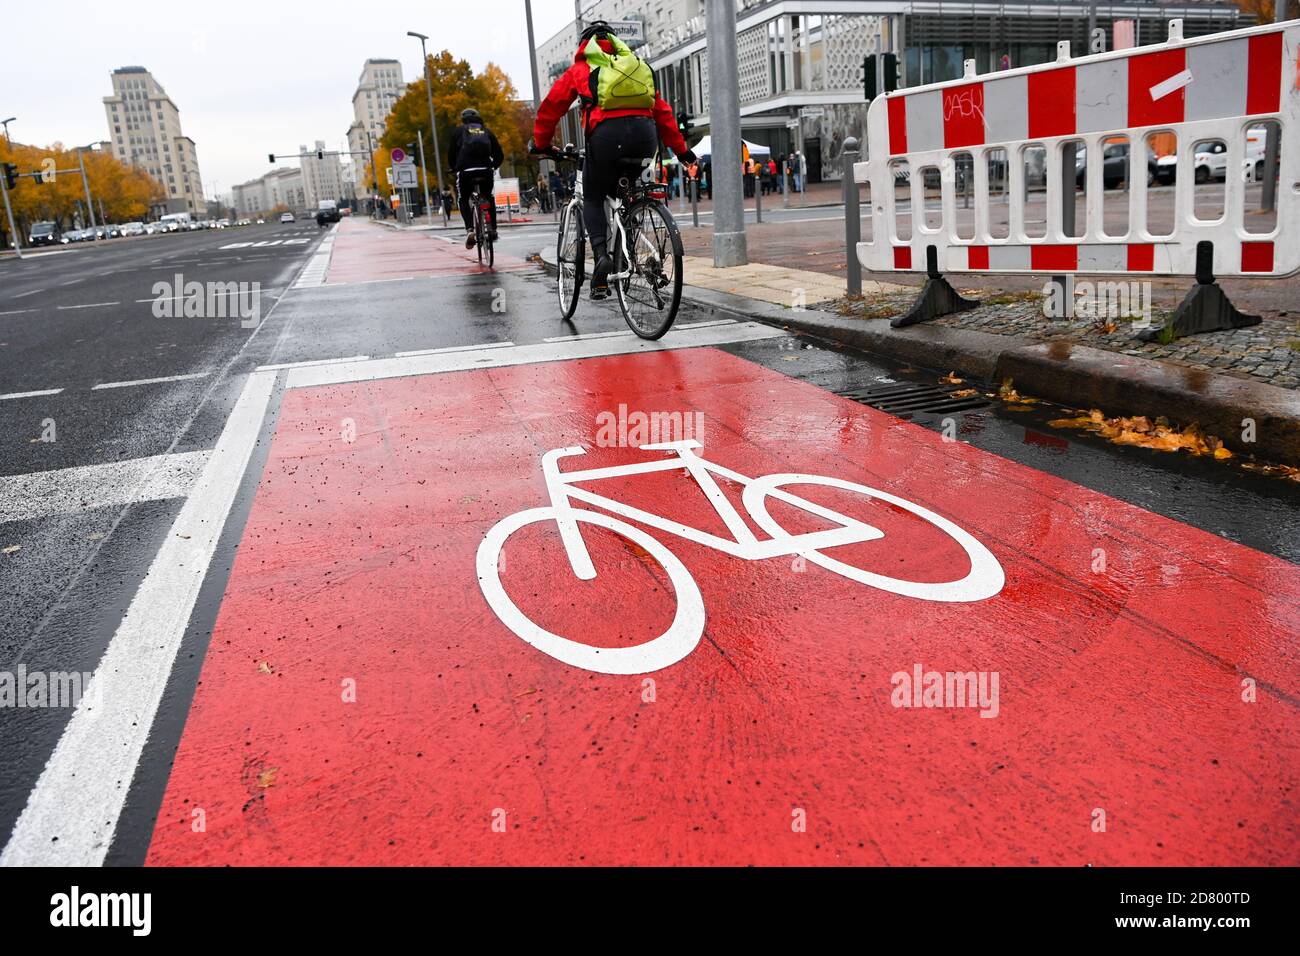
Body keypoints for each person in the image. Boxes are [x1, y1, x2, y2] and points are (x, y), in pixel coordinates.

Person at [532, 20, 696, 299]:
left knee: (594, 195)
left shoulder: (582, 68)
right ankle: (625, 251)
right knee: (626, 192)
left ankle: (602, 260)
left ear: (584, 45)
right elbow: (664, 113)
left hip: (607, 138)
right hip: (645, 136)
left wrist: (542, 144)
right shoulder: (633, 67)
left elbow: (551, 107)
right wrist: (683, 153)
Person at [448, 107, 504, 249]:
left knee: (463, 198)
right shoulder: (487, 131)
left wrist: (454, 167)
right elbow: (499, 153)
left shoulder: (458, 132)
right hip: (485, 170)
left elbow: (451, 153)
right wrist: (493, 166)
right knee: (488, 197)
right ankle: (493, 229)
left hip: (466, 171)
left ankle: (470, 230)